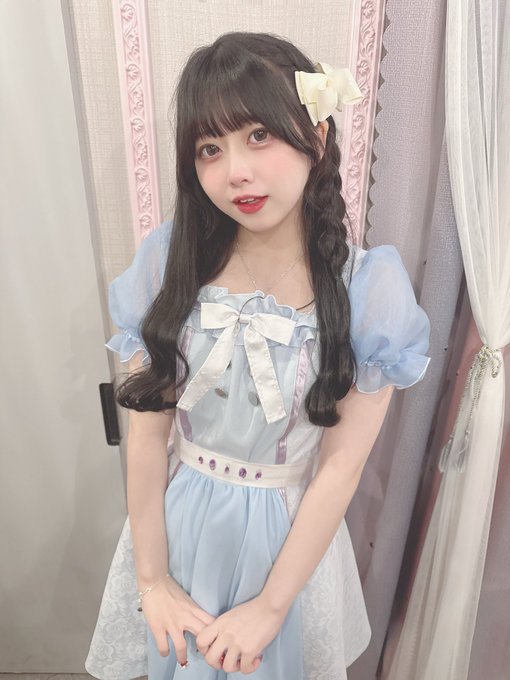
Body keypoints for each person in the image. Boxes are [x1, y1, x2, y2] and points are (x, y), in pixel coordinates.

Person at [86, 31, 431, 680]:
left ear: (316, 137)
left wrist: (271, 608)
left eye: (259, 135)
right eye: (210, 149)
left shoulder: (368, 292)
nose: (235, 171)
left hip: (287, 547)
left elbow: (340, 469)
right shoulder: (169, 264)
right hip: (178, 530)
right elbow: (147, 437)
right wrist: (153, 580)